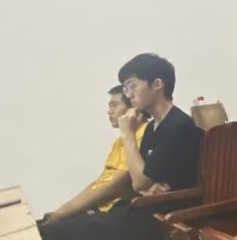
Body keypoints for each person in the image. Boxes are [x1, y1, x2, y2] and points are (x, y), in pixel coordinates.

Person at [40, 53, 202, 240]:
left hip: (162, 217)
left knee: (55, 233)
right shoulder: (152, 128)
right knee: (55, 227)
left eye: (132, 85)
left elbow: (140, 181)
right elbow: (139, 183)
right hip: (142, 207)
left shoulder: (179, 124)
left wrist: (128, 134)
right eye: (126, 87)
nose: (129, 94)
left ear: (157, 84)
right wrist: (147, 186)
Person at [38, 86, 148, 229]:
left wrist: (62, 214)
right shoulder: (120, 141)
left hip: (118, 211)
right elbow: (99, 182)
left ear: (133, 108)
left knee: (50, 232)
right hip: (100, 208)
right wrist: (62, 211)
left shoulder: (143, 135)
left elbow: (116, 186)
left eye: (114, 105)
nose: (109, 111)